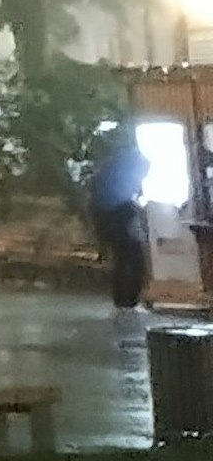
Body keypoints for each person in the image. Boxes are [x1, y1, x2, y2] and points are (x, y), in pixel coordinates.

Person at [87, 111, 154, 314]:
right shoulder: (133, 165)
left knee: (122, 259)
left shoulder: (114, 165)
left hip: (106, 214)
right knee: (133, 259)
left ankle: (123, 300)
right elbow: (129, 193)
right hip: (119, 213)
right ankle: (129, 300)